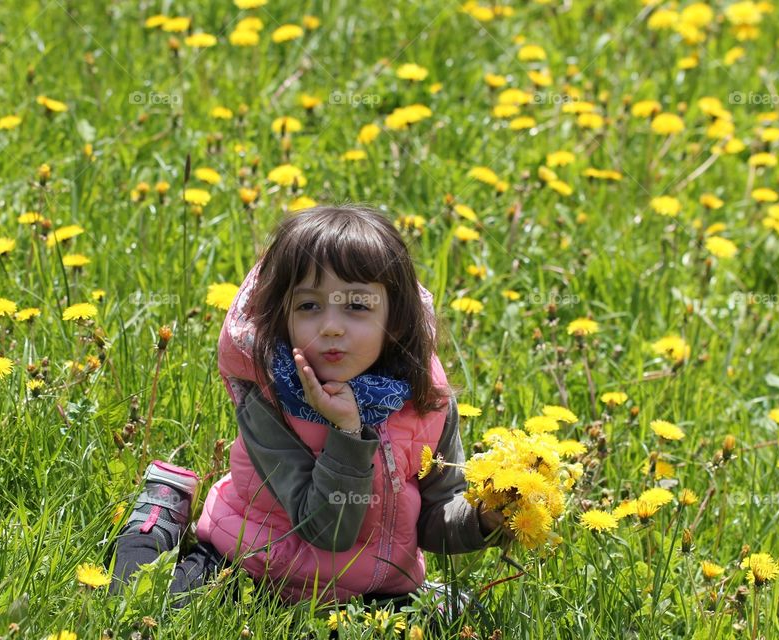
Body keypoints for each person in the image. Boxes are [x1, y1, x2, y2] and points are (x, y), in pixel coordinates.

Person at [109, 204, 513, 615]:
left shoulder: (426, 401)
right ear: (281, 316)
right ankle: (160, 514)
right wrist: (347, 432)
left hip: (370, 589)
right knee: (142, 604)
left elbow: (435, 516)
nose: (331, 327)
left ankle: (426, 597)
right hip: (252, 565)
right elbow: (325, 530)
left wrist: (482, 518)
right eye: (308, 306)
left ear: (396, 317)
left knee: (460, 621)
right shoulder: (269, 398)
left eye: (357, 306)